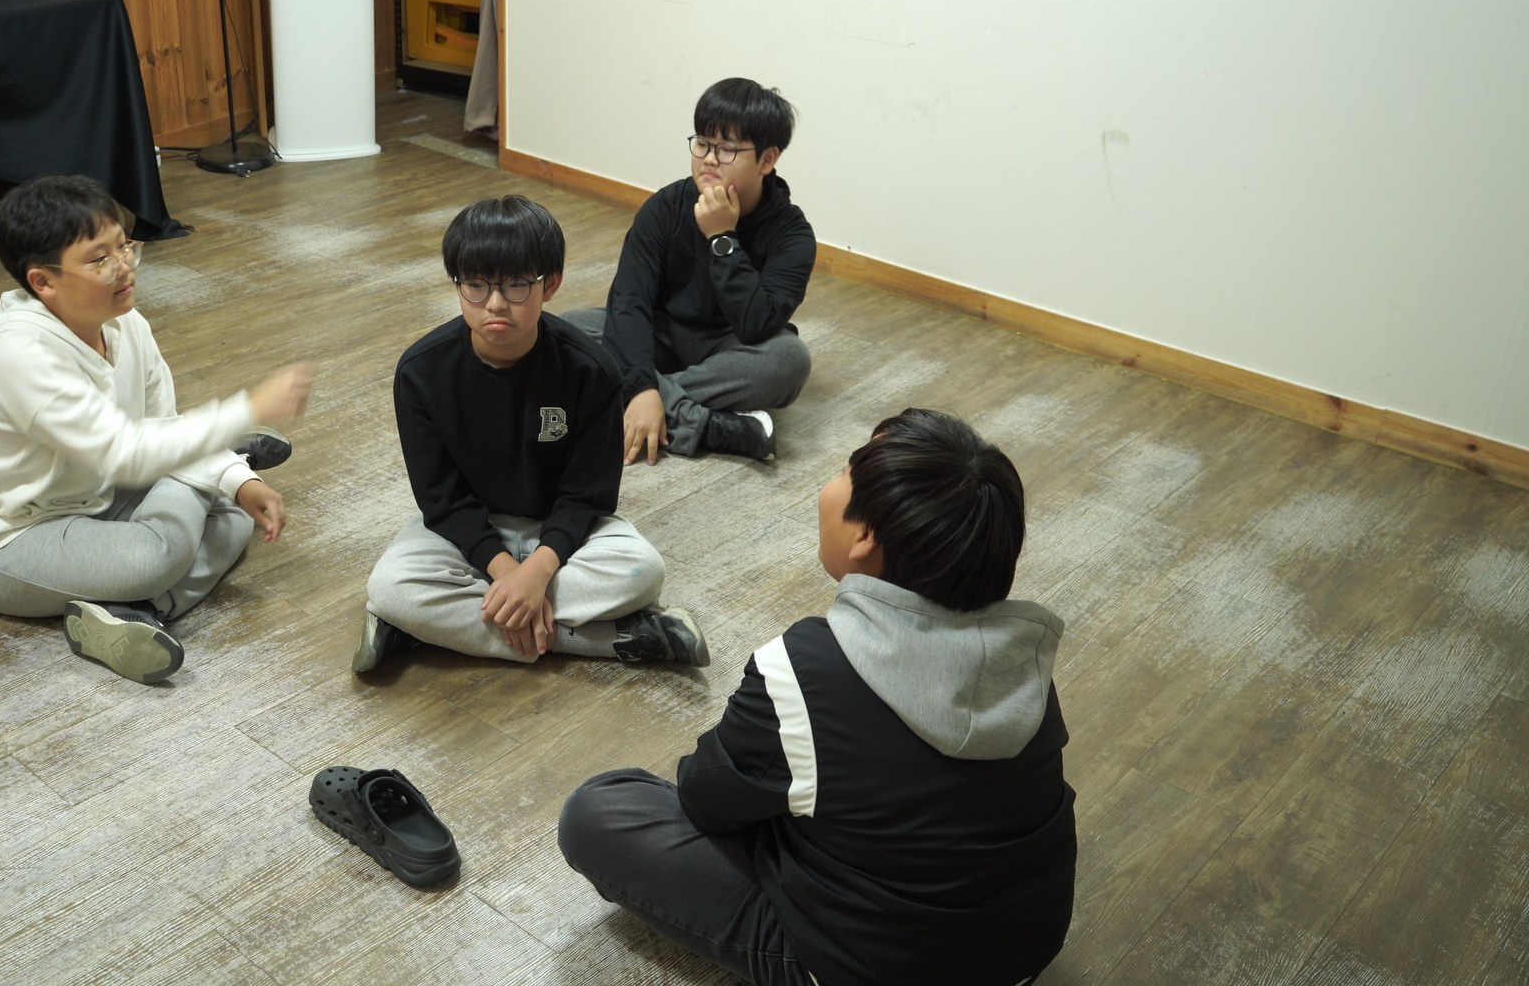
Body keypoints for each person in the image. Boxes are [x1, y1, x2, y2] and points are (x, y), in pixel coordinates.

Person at [557, 410, 1078, 986]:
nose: (830, 484)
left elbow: (705, 796)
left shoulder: (806, 669)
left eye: (846, 470)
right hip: (1023, 955)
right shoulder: (1024, 656)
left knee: (599, 811)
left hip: (870, 971)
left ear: (865, 536)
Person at [0, 175, 315, 684]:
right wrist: (248, 408)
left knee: (236, 516)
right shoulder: (23, 357)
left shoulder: (125, 322)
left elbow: (160, 425)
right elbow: (129, 453)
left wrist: (240, 481)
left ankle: (137, 612)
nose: (124, 266)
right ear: (43, 281)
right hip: (0, 540)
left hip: (89, 490)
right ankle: (212, 470)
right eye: (98, 259)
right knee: (156, 557)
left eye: (123, 246)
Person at [356, 195, 707, 672]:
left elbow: (587, 495)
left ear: (551, 284)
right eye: (475, 285)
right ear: (456, 283)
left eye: (517, 285)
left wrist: (538, 570)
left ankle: (422, 629)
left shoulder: (591, 369)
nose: (494, 304)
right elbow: (443, 499)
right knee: (390, 586)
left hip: (559, 529)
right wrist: (507, 572)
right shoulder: (421, 372)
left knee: (641, 571)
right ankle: (611, 640)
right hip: (468, 531)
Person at [561, 77, 815, 464]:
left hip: (731, 347)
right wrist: (642, 388)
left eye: (727, 149)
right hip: (660, 335)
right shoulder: (664, 208)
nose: (709, 158)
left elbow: (756, 324)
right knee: (563, 332)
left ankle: (620, 402)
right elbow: (629, 301)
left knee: (788, 360)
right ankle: (708, 426)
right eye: (702, 143)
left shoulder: (792, 234)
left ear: (767, 160)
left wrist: (722, 238)